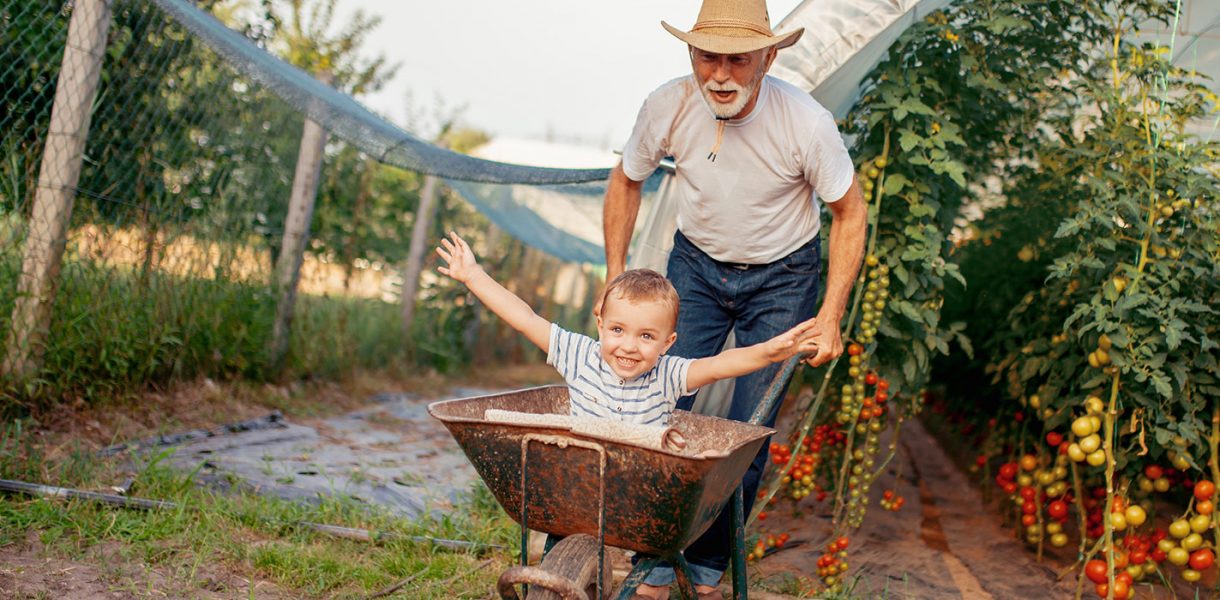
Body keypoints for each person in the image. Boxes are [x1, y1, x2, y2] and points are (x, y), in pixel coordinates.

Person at [601, 0, 868, 596]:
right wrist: (617, 279)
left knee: (748, 428)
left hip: (782, 276)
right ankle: (651, 555)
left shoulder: (806, 123)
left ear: (769, 57)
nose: (719, 74)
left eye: (738, 60)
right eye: (706, 56)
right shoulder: (667, 106)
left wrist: (829, 315)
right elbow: (626, 178)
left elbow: (850, 212)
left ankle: (704, 563)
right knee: (658, 408)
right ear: (690, 53)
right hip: (694, 268)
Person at [434, 231, 822, 428]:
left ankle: (652, 575)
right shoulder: (580, 355)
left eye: (647, 336)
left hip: (639, 487)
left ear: (669, 343)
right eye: (618, 330)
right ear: (600, 323)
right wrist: (474, 276)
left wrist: (771, 351)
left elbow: (722, 364)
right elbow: (525, 318)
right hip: (580, 473)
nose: (629, 347)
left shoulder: (669, 375)